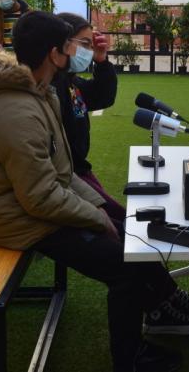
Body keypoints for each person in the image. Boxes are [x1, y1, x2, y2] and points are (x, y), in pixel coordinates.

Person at [0, 11, 189, 372]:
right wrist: (96, 218)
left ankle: (161, 309)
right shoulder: (16, 110)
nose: (78, 53)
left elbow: (63, 171)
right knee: (124, 266)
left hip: (35, 209)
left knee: (131, 232)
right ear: (53, 54)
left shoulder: (38, 94)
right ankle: (130, 358)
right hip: (20, 222)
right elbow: (40, 197)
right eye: (72, 46)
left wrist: (101, 210)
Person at [53, 13, 124, 221]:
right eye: (84, 44)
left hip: (80, 170)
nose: (88, 51)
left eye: (90, 45)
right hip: (69, 176)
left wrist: (102, 63)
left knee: (119, 217)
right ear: (64, 44)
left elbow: (102, 97)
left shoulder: (71, 82)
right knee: (116, 222)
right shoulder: (54, 87)